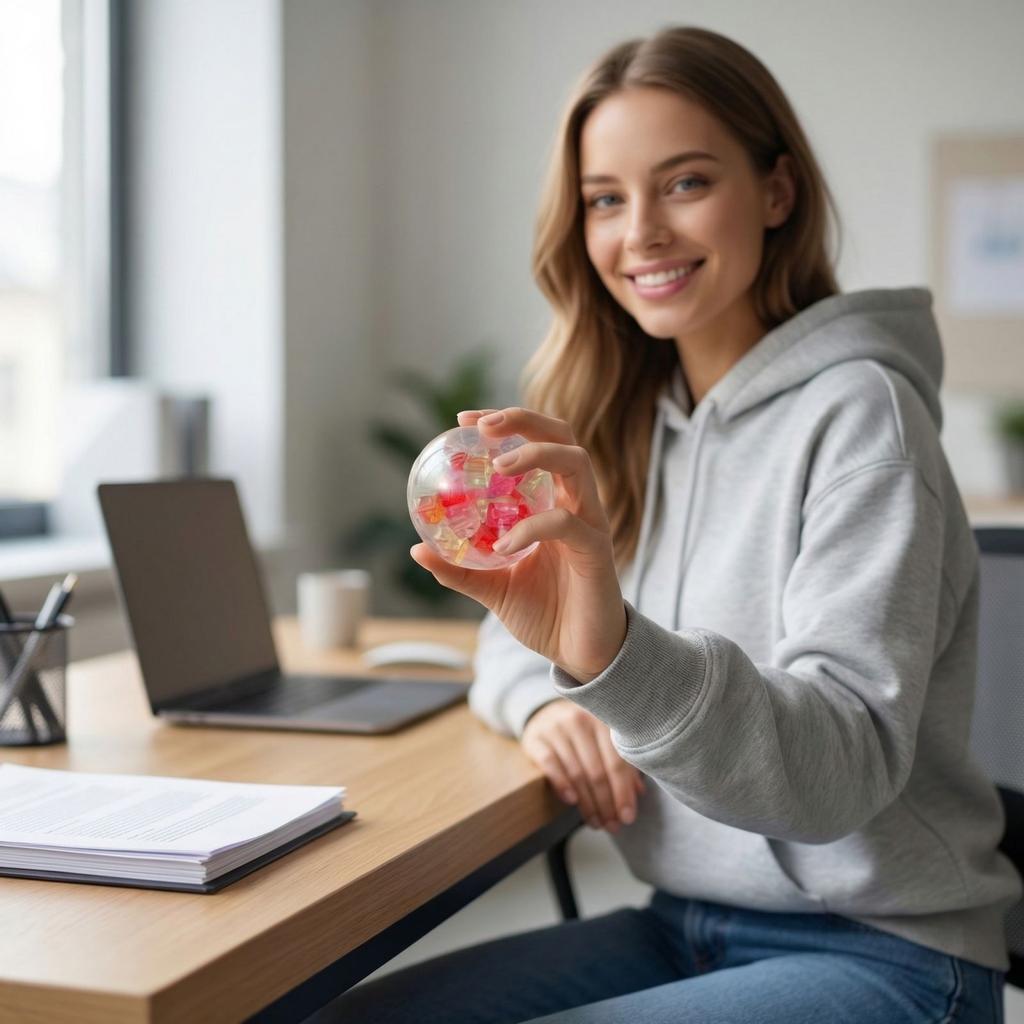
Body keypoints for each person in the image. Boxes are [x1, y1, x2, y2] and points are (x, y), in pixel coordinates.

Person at [329, 25, 1021, 1023]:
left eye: (685, 182)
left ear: (776, 192)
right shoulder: (627, 423)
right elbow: (515, 638)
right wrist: (550, 705)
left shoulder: (863, 417)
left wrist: (614, 661)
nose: (641, 231)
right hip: (685, 922)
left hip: (890, 951)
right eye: (605, 199)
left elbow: (839, 774)